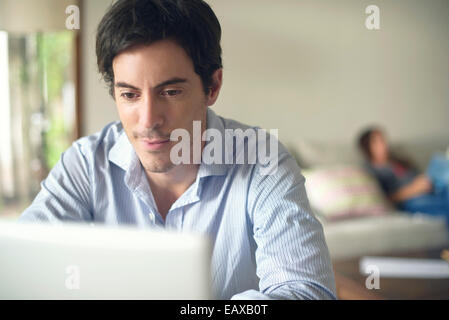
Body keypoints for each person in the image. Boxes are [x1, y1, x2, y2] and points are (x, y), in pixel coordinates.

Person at [18, 0, 336, 300]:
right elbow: (22, 269)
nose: (148, 120)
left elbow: (306, 291)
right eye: (129, 95)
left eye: (170, 92)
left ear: (212, 87)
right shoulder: (86, 163)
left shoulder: (262, 161)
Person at [357, 127, 449, 225]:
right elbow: (384, 198)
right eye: (377, 141)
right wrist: (414, 189)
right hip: (411, 200)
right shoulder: (370, 170)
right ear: (367, 147)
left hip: (433, 188)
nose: (384, 144)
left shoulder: (399, 161)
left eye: (383, 139)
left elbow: (419, 176)